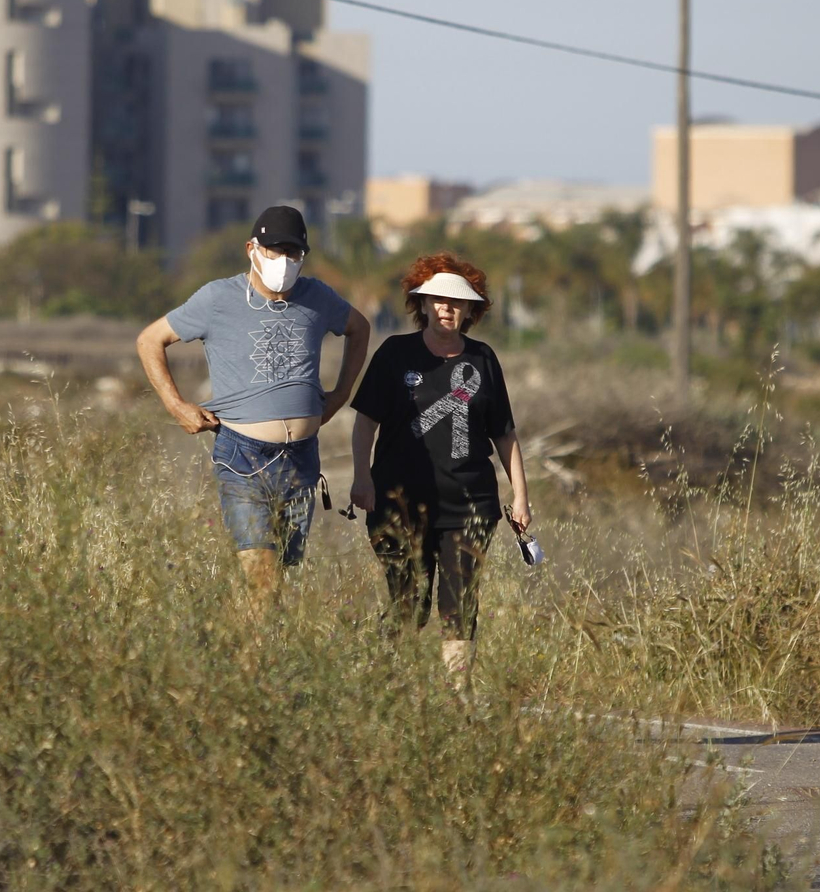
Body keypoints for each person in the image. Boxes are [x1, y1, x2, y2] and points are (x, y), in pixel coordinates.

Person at [136, 205, 371, 610]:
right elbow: (149, 340)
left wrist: (340, 394)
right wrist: (177, 406)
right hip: (243, 455)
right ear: (252, 249)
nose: (283, 262)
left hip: (301, 459)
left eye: (293, 254)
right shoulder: (217, 298)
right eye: (274, 252)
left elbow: (359, 327)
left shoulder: (317, 297)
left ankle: (256, 662)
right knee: (262, 578)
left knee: (280, 576)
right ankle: (256, 666)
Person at [348, 253, 530, 686]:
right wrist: (361, 476)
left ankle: (457, 695)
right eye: (438, 300)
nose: (447, 308)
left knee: (460, 601)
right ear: (423, 305)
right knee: (409, 602)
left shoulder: (484, 359)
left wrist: (520, 495)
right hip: (399, 500)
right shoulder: (394, 354)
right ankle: (387, 686)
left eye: (457, 302)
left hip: (469, 503)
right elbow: (364, 423)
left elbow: (504, 433)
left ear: (471, 310)